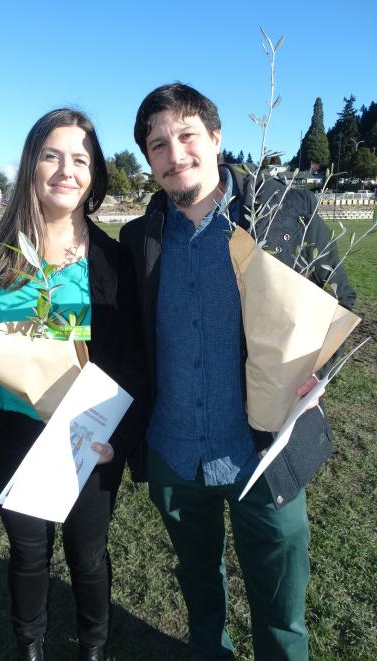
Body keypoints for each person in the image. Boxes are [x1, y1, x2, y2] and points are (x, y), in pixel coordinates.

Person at [120, 83, 356, 661]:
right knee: (200, 590)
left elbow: (340, 301)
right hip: (174, 457)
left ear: (216, 138)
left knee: (281, 610)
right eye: (157, 145)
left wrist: (319, 372)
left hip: (265, 454)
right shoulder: (137, 239)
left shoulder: (282, 212)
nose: (174, 155)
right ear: (148, 159)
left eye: (186, 136)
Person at [0, 109, 137, 661]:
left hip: (88, 441)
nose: (65, 170)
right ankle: (28, 647)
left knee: (88, 556)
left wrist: (116, 442)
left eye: (80, 159)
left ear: (94, 173)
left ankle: (92, 648)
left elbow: (132, 364)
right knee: (28, 554)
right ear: (32, 163)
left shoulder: (111, 259)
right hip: (12, 434)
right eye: (52, 155)